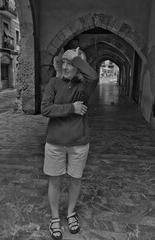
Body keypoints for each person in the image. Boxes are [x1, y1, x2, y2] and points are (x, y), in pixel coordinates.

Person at [41, 47, 98, 240]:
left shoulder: (85, 87)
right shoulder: (54, 83)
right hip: (54, 142)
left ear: (78, 66)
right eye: (63, 62)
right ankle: (55, 217)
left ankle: (71, 213)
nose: (65, 66)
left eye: (70, 63)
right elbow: (46, 109)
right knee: (54, 181)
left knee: (75, 179)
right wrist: (71, 108)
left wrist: (77, 58)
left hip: (79, 142)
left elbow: (94, 76)